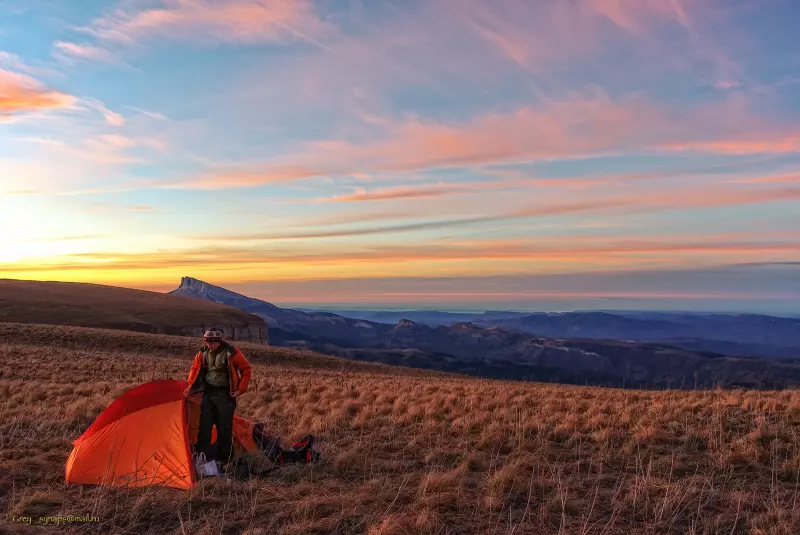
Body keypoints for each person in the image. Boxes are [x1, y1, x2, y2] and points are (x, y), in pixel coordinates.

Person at [185, 328, 252, 468]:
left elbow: (246, 369)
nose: (209, 345)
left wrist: (240, 389)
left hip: (225, 394)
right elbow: (195, 368)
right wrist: (191, 386)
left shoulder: (231, 352)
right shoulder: (202, 352)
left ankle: (225, 460)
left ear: (219, 341)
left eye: (212, 343)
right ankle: (201, 456)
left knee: (224, 427)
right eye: (207, 342)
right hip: (208, 393)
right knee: (204, 426)